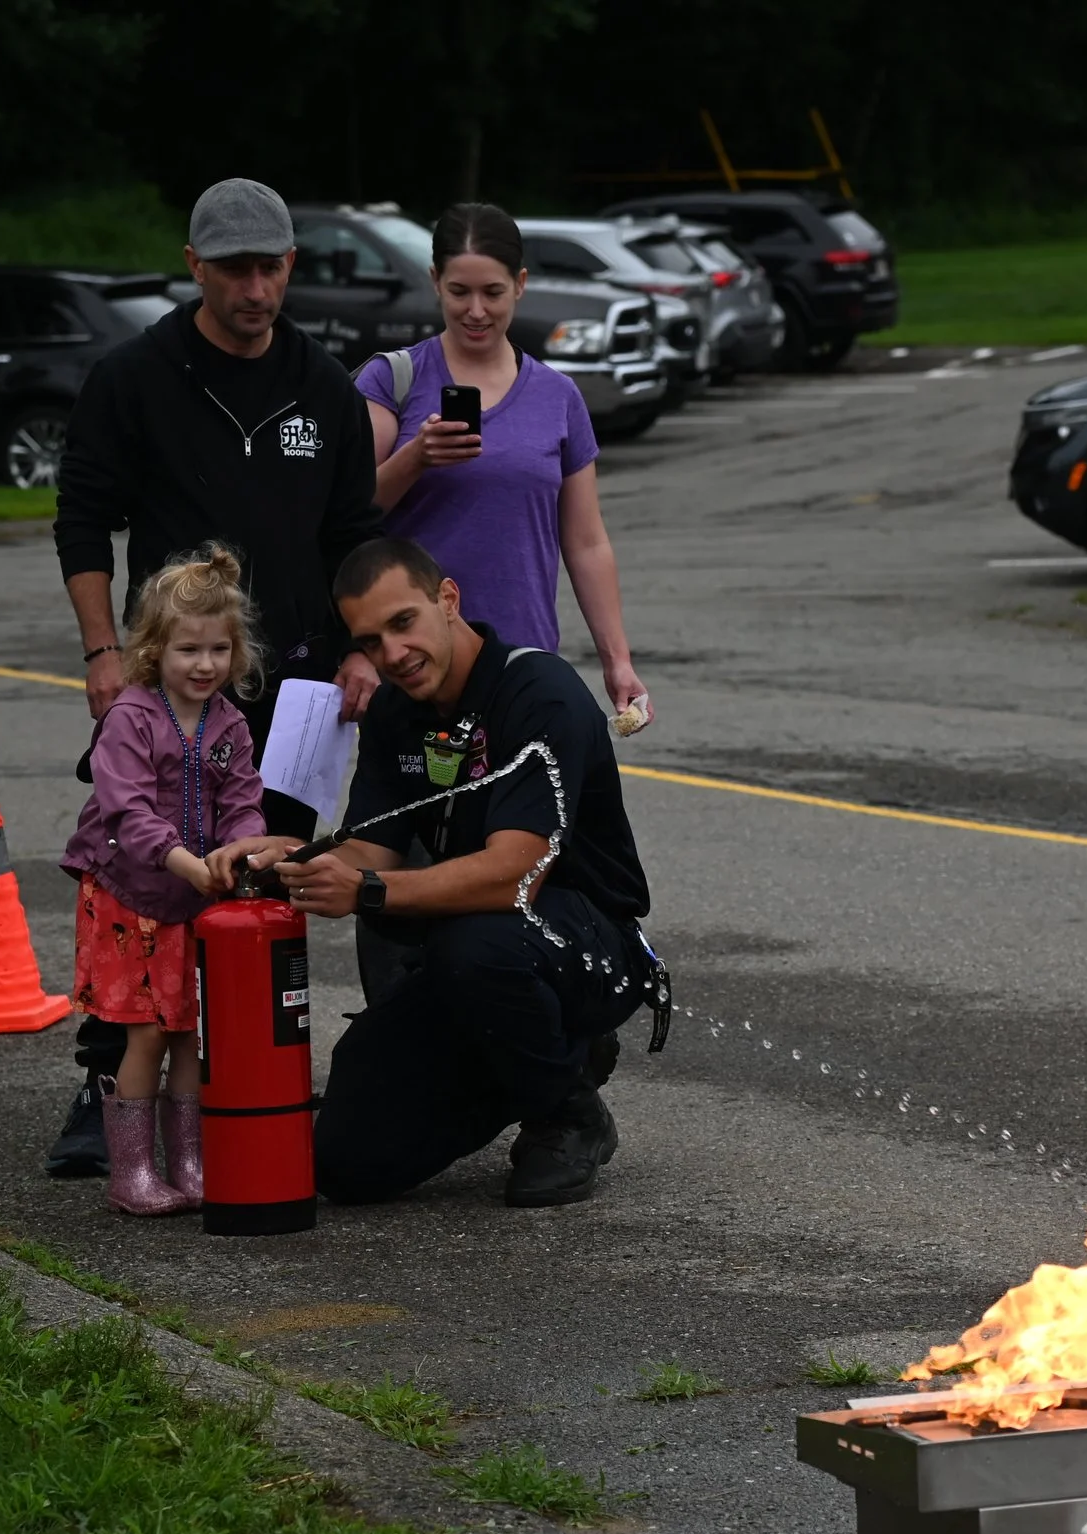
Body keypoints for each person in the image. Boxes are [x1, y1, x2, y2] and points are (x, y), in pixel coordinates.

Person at [46, 177, 383, 1178]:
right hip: (172, 691)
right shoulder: (135, 377)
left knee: (262, 888)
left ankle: (245, 1075)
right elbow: (81, 520)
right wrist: (104, 655)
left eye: (270, 265)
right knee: (148, 890)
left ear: (290, 264)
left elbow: (352, 535)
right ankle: (110, 1081)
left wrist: (360, 646)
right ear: (194, 267)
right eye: (233, 267)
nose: (254, 287)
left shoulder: (322, 385)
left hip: (295, 698)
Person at [210, 537, 657, 1208]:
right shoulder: (397, 711)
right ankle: (544, 1059)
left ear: (447, 599)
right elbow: (372, 850)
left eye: (403, 622)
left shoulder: (540, 694)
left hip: (587, 949)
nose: (393, 653)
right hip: (474, 953)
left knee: (474, 944)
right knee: (346, 1162)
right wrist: (287, 859)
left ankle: (568, 1112)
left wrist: (369, 891)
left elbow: (517, 877)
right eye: (371, 639)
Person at [357, 203, 649, 722]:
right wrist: (416, 458)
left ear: (520, 284)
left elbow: (585, 541)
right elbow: (350, 510)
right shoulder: (391, 381)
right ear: (434, 282)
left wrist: (617, 661)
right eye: (458, 292)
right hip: (414, 669)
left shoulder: (558, 396)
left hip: (523, 666)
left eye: (492, 292)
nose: (475, 311)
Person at [59, 545, 267, 1215]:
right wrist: (189, 862)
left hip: (187, 896)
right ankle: (133, 1171)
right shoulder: (130, 718)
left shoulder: (229, 723)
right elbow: (127, 811)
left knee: (188, 1031)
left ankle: (190, 1160)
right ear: (154, 649)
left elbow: (242, 802)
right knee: (147, 1029)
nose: (204, 665)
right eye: (188, 650)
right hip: (130, 894)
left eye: (217, 649)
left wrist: (242, 853)